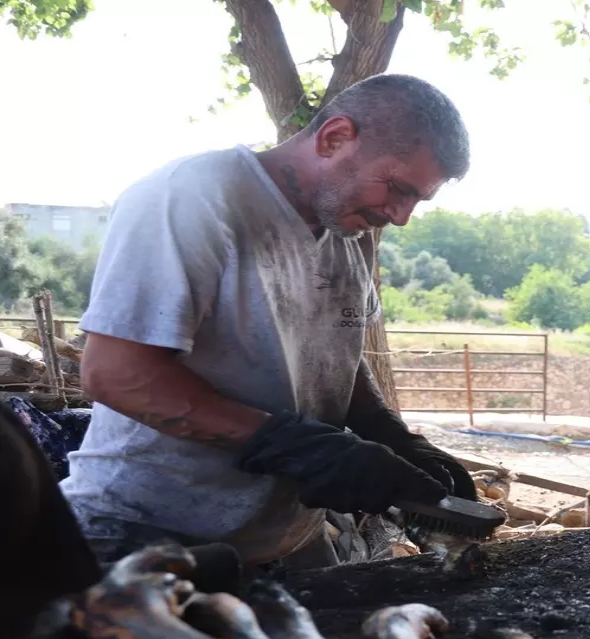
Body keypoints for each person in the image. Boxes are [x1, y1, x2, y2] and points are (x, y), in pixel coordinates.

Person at [58, 73, 478, 570]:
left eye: (417, 200)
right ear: (334, 137)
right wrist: (291, 444)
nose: (402, 216)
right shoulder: (193, 196)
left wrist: (389, 435)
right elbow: (116, 374)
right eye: (397, 188)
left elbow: (332, 351)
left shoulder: (351, 230)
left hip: (284, 540)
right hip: (143, 530)